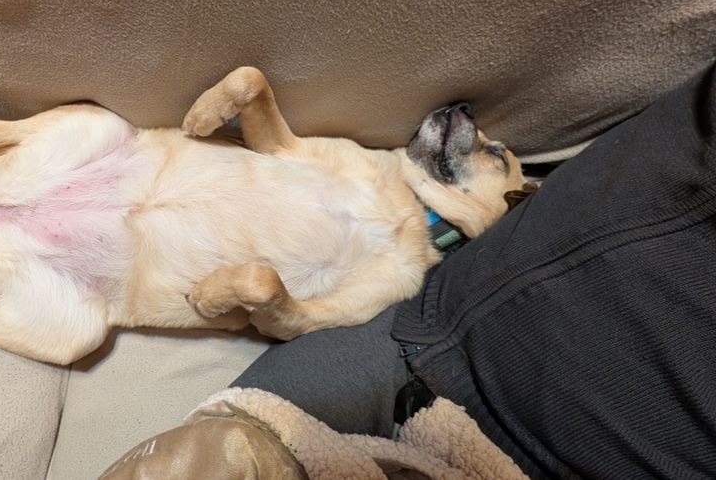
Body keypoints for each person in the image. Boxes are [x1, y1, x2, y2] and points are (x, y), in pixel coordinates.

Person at [102, 66, 716, 479]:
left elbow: (298, 319)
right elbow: (282, 149)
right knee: (227, 457)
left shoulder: (408, 265)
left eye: (493, 155)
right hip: (419, 341)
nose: (476, 131)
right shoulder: (378, 171)